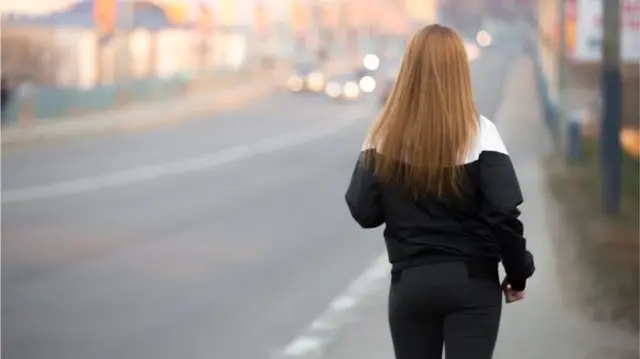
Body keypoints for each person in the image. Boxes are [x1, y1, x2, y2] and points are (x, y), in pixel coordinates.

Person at [344, 24, 535, 359]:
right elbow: (503, 213)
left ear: (408, 69)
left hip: (410, 284)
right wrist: (518, 274)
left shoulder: (383, 135)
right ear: (460, 70)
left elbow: (364, 211)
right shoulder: (481, 133)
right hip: (472, 285)